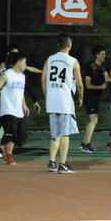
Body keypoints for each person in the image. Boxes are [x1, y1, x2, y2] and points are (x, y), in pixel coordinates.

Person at [0, 45, 41, 157]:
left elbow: (25, 81)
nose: (17, 56)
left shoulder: (19, 72)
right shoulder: (4, 69)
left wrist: (44, 71)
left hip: (13, 103)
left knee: (11, 129)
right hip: (2, 100)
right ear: (10, 55)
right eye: (15, 54)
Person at [42, 34, 84, 173]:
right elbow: (79, 84)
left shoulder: (50, 59)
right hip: (65, 101)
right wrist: (80, 97)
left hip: (52, 101)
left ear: (58, 45)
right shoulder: (73, 61)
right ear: (69, 45)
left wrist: (47, 95)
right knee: (65, 133)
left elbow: (43, 79)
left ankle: (51, 162)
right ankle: (63, 164)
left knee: (55, 134)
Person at [0, 52, 32, 165]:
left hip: (19, 111)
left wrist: (24, 105)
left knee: (22, 138)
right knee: (11, 134)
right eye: (25, 62)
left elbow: (21, 93)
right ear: (19, 62)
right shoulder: (7, 74)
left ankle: (2, 147)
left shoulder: (22, 76)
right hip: (8, 110)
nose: (26, 65)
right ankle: (9, 155)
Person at [80, 45, 111, 154]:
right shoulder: (90, 67)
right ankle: (86, 145)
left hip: (95, 97)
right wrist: (101, 87)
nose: (104, 55)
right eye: (102, 54)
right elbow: (88, 85)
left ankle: (84, 143)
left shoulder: (103, 67)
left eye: (105, 54)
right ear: (97, 55)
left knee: (92, 120)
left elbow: (107, 78)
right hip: (89, 96)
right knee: (94, 120)